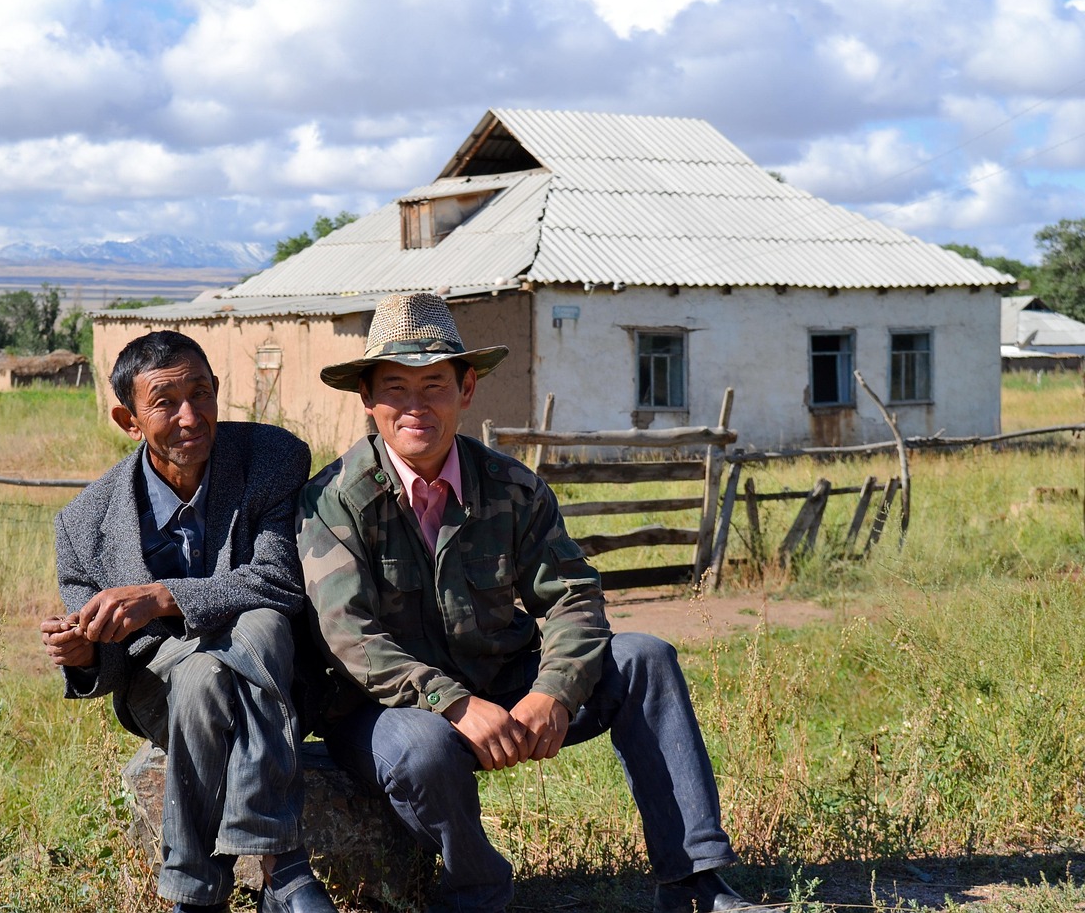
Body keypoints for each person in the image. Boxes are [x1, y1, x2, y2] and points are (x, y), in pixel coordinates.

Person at [297, 293, 761, 913]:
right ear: (368, 400)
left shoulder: (512, 487)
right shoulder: (333, 501)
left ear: (467, 389)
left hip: (502, 681)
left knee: (645, 657)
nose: (415, 407)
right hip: (383, 710)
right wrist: (453, 705)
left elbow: (571, 596)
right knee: (424, 749)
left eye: (434, 385)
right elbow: (349, 637)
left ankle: (695, 883)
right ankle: (476, 892)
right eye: (395, 388)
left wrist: (555, 690)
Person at [40, 330, 337, 913]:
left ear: (218, 390)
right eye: (165, 403)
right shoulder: (82, 525)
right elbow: (103, 659)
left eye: (201, 394)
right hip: (160, 687)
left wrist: (161, 597)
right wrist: (81, 655)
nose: (190, 417)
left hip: (272, 671)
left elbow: (278, 582)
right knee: (200, 674)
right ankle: (284, 867)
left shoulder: (270, 459)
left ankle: (196, 896)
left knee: (261, 628)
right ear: (128, 420)